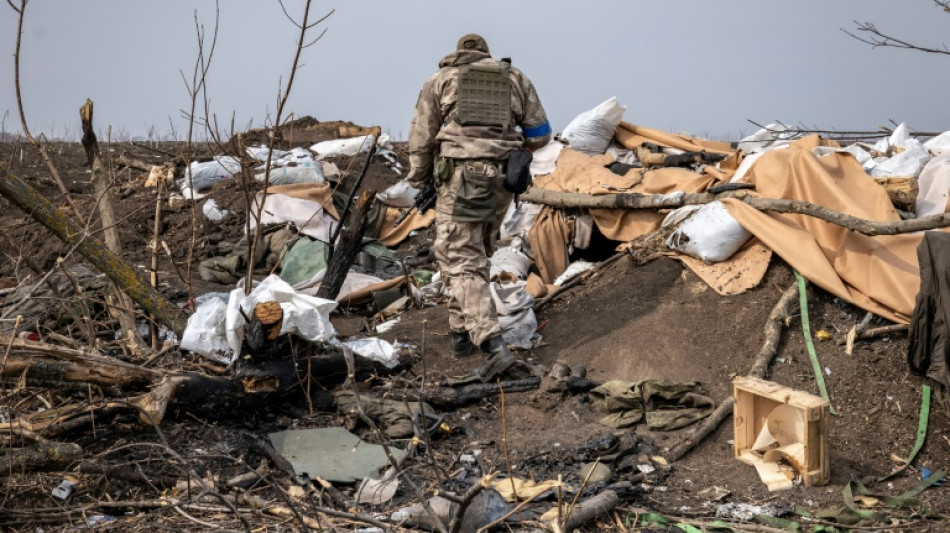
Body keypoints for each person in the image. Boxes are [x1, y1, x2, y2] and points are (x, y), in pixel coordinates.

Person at [407, 33, 552, 381]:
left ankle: (492, 347)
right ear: (486, 55)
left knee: (461, 261)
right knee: (470, 255)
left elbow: (422, 137)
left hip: (465, 179)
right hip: (505, 180)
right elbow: (541, 133)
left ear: (458, 54)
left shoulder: (440, 80)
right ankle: (461, 335)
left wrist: (420, 178)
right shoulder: (516, 78)